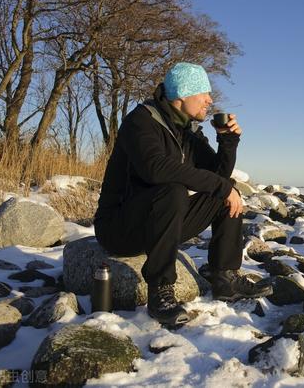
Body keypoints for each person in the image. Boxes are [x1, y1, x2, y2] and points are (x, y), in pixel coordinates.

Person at [94, 62, 272, 326]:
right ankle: (161, 292)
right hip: (119, 227)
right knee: (173, 190)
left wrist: (227, 140)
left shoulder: (187, 131)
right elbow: (155, 169)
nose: (210, 101)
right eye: (204, 94)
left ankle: (224, 276)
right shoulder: (141, 121)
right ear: (182, 94)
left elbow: (217, 176)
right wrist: (221, 186)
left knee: (224, 193)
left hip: (156, 223)